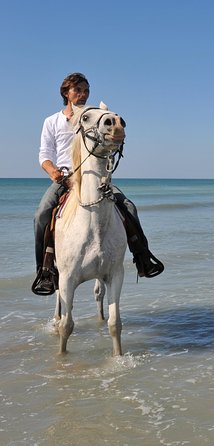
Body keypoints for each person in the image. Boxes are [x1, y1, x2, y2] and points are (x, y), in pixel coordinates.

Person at [32, 72, 163, 295]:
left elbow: (108, 140)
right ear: (66, 93)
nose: (83, 94)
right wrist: (53, 171)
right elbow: (45, 154)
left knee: (129, 207)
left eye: (86, 90)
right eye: (78, 90)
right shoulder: (51, 121)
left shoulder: (95, 117)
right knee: (42, 214)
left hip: (95, 176)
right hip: (66, 177)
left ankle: (142, 258)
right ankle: (45, 271)